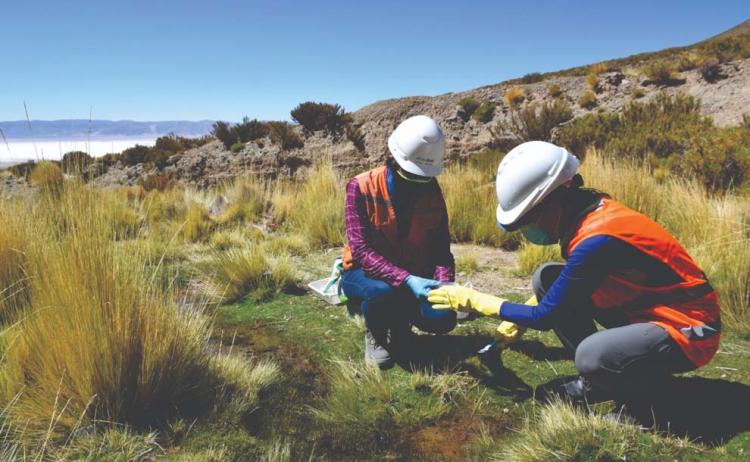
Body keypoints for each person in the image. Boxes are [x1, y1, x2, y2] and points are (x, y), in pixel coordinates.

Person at [428, 141, 720, 403]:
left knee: (591, 355)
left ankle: (622, 387)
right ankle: (608, 373)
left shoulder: (597, 239)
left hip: (689, 330)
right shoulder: (592, 216)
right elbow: (575, 282)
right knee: (546, 277)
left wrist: (475, 300)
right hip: (645, 309)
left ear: (556, 201)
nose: (530, 230)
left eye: (530, 219)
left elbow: (544, 318)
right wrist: (531, 306)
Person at [340, 115, 457, 369]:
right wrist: (406, 279)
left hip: (411, 275)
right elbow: (361, 251)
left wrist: (444, 285)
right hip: (362, 274)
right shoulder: (360, 187)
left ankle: (400, 324)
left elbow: (441, 251)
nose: (418, 185)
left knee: (442, 317)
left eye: (423, 178)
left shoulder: (432, 192)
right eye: (412, 176)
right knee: (384, 291)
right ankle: (376, 331)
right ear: (393, 161)